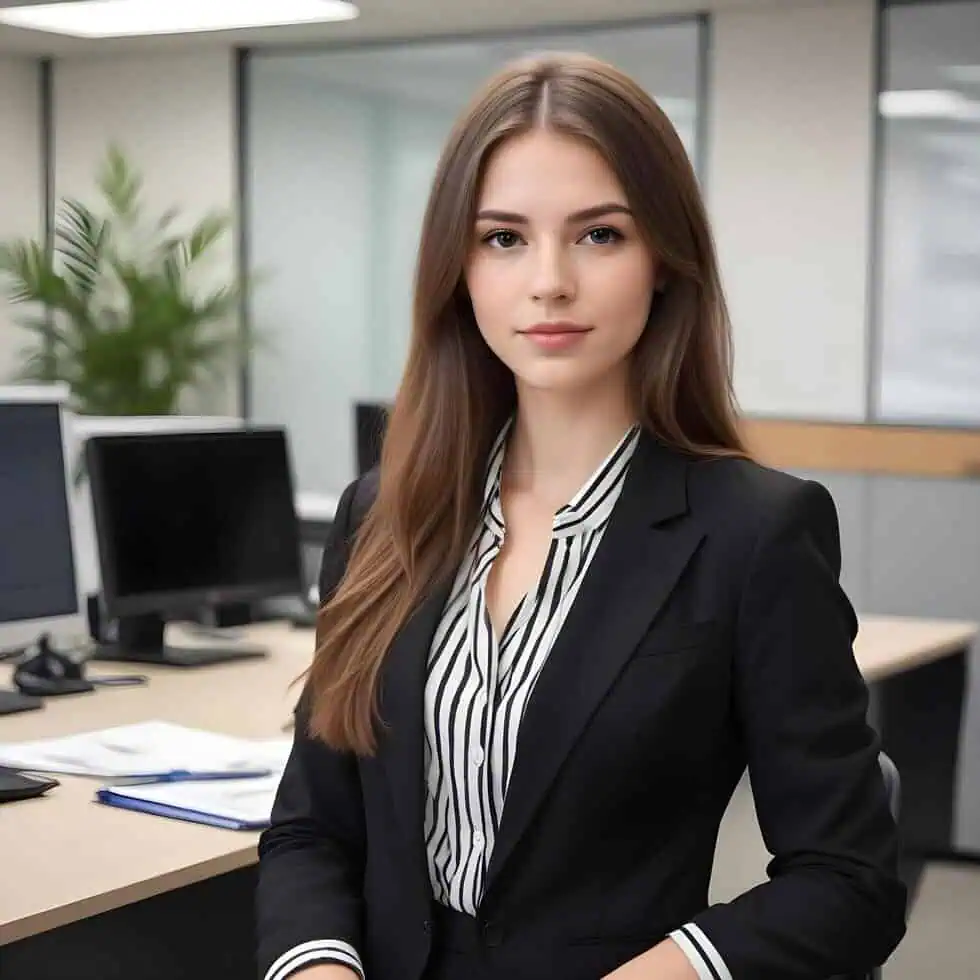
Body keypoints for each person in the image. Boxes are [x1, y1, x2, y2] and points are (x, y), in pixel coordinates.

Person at [256, 52, 907, 980]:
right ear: (459, 270)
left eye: (599, 235)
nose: (549, 281)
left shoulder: (755, 532)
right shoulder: (383, 515)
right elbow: (314, 827)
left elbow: (848, 878)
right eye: (503, 238)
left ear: (664, 263)